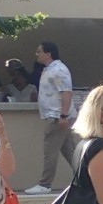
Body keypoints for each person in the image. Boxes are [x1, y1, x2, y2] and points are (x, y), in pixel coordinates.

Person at [24, 41, 77, 195]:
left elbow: (66, 92)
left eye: (39, 51)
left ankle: (45, 184)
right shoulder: (49, 69)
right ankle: (89, 178)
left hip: (56, 116)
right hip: (57, 116)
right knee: (70, 151)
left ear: (49, 53)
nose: (37, 54)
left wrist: (63, 115)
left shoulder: (59, 70)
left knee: (50, 150)